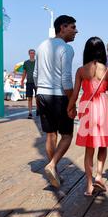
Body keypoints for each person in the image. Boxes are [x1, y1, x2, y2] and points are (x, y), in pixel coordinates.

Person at [34, 15, 78, 193]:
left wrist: (38, 94)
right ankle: (52, 165)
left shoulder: (42, 46)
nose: (76, 31)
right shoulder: (66, 49)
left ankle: (55, 173)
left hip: (42, 94)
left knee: (50, 135)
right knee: (67, 135)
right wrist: (72, 102)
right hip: (59, 96)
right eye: (73, 27)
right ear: (62, 27)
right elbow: (66, 78)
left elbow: (36, 73)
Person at [67, 37, 108, 196]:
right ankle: (99, 176)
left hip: (86, 107)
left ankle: (89, 185)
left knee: (89, 148)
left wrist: (70, 107)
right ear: (102, 51)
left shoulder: (81, 70)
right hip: (101, 107)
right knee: (102, 144)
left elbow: (75, 93)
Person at [21, 49, 37, 119]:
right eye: (31, 53)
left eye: (33, 53)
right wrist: (22, 81)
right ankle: (30, 113)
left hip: (37, 82)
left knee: (38, 98)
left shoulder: (37, 63)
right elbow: (24, 73)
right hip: (29, 82)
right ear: (29, 54)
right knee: (29, 98)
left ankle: (38, 109)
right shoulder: (26, 63)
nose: (32, 54)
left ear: (35, 54)